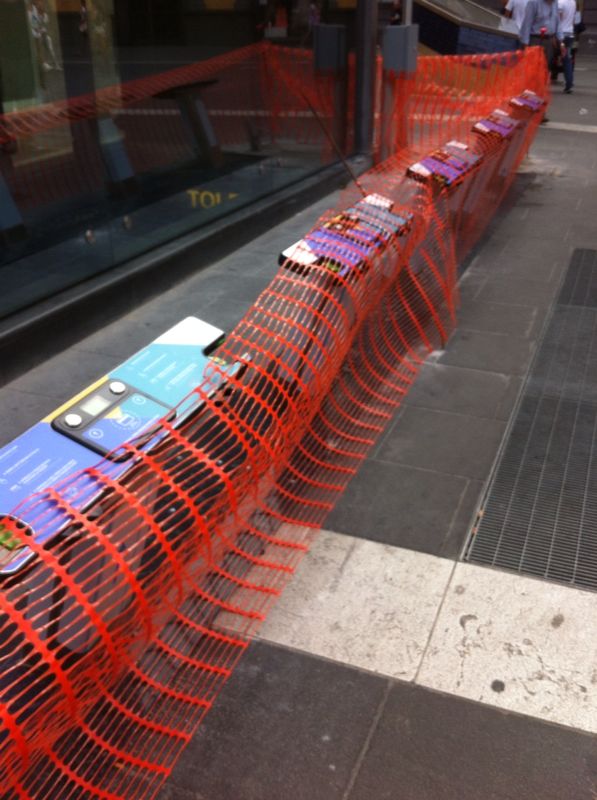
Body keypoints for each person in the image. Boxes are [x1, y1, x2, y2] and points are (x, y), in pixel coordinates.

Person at [519, 0, 561, 77]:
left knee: (546, 68)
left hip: (550, 40)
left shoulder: (555, 3)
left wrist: (561, 41)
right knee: (532, 68)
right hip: (535, 40)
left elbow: (557, 22)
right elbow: (527, 23)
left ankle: (542, 84)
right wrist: (525, 44)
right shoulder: (533, 2)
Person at [558, 0, 576, 92]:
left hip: (561, 34)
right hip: (570, 34)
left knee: (550, 58)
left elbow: (558, 19)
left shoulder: (560, 2)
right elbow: (573, 19)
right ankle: (569, 83)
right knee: (567, 59)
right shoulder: (573, 2)